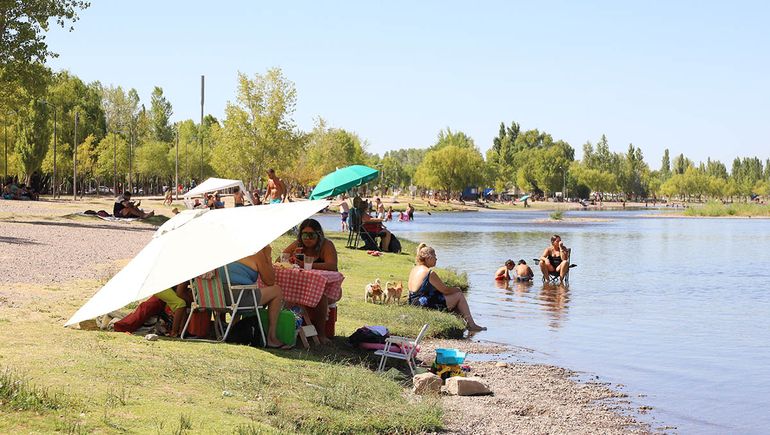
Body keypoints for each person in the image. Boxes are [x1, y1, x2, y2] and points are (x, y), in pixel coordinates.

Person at [282, 218, 338, 344]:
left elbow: (332, 266)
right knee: (283, 293)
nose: (307, 238)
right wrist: (292, 258)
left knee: (320, 296)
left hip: (328, 288)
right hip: (301, 287)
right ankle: (285, 328)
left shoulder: (326, 245)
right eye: (304, 235)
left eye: (311, 235)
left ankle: (321, 334)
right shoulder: (298, 244)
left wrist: (308, 264)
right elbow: (280, 259)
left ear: (319, 235)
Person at [408, 243, 485, 332]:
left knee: (447, 297)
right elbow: (445, 290)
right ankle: (472, 325)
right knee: (459, 295)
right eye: (435, 256)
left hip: (413, 303)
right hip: (422, 305)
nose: (436, 259)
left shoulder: (415, 269)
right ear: (429, 257)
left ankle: (462, 324)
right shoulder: (429, 273)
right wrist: (457, 289)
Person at [225, 245, 289, 349]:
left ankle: (233, 330)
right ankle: (271, 338)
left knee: (239, 287)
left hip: (218, 298)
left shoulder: (227, 249)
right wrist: (267, 257)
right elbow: (270, 281)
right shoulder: (255, 252)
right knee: (276, 290)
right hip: (239, 299)